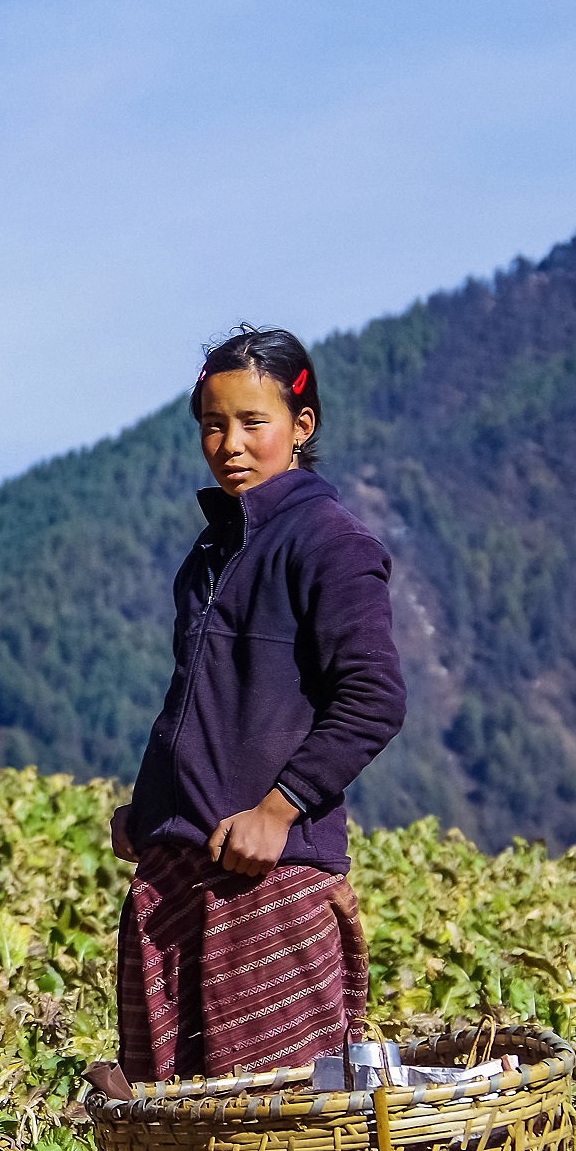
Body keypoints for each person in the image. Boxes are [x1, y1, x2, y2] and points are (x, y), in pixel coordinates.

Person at [105, 327, 405, 1084]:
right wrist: (151, 811)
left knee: (273, 1134)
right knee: (171, 1129)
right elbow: (195, 704)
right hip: (177, 878)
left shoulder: (330, 543)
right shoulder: (210, 556)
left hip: (268, 883)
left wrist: (278, 809)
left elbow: (373, 697)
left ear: (302, 429)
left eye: (253, 423)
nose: (229, 444)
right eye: (213, 424)